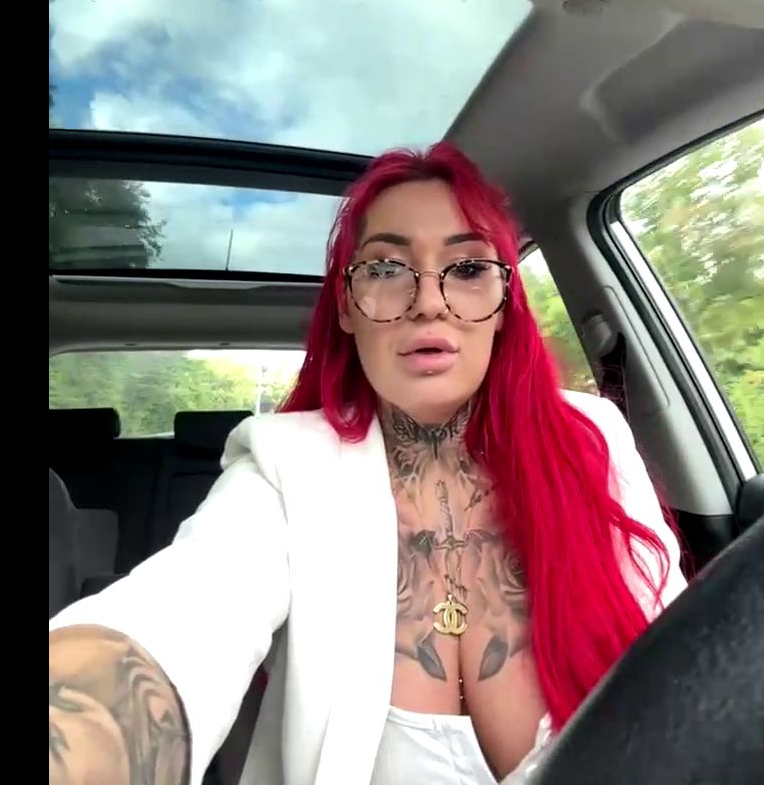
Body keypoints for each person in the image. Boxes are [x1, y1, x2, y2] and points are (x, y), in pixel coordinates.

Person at [49, 142, 687, 785]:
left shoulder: (591, 440)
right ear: (347, 307)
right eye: (385, 268)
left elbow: (683, 666)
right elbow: (184, 616)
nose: (429, 301)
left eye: (468, 266)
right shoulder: (285, 468)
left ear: (504, 304)